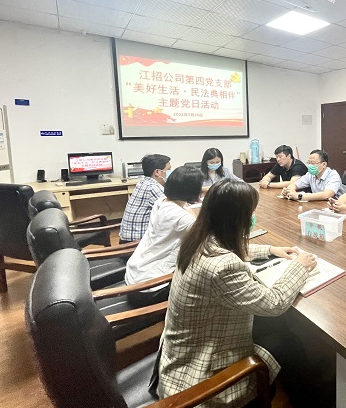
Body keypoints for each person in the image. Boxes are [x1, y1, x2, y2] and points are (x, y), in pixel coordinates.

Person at [158, 179, 318, 406]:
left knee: (277, 326)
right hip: (202, 377)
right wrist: (299, 266)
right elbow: (274, 303)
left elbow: (227, 248)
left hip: (180, 352)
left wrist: (270, 250)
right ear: (235, 218)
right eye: (250, 212)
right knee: (287, 340)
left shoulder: (197, 237)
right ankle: (312, 399)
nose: (253, 216)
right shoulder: (222, 267)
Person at [124, 166, 204, 307]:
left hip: (135, 276)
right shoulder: (182, 218)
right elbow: (208, 237)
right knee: (205, 276)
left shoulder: (161, 202)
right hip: (151, 289)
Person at [119, 154, 170, 243]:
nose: (170, 173)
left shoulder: (144, 182)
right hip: (136, 244)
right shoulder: (153, 188)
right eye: (168, 170)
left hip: (127, 239)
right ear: (157, 172)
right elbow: (172, 210)